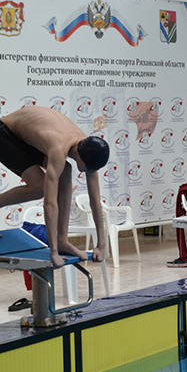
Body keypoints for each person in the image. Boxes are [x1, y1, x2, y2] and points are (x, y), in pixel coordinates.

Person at [0, 106, 108, 267]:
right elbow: (49, 204)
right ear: (82, 157)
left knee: (66, 170)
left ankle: (63, 240)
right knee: (40, 188)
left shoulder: (89, 150)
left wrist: (101, 244)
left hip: (26, 136)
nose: (90, 172)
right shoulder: (59, 148)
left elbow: (95, 201)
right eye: (88, 168)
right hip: (6, 134)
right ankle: (58, 244)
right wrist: (53, 252)